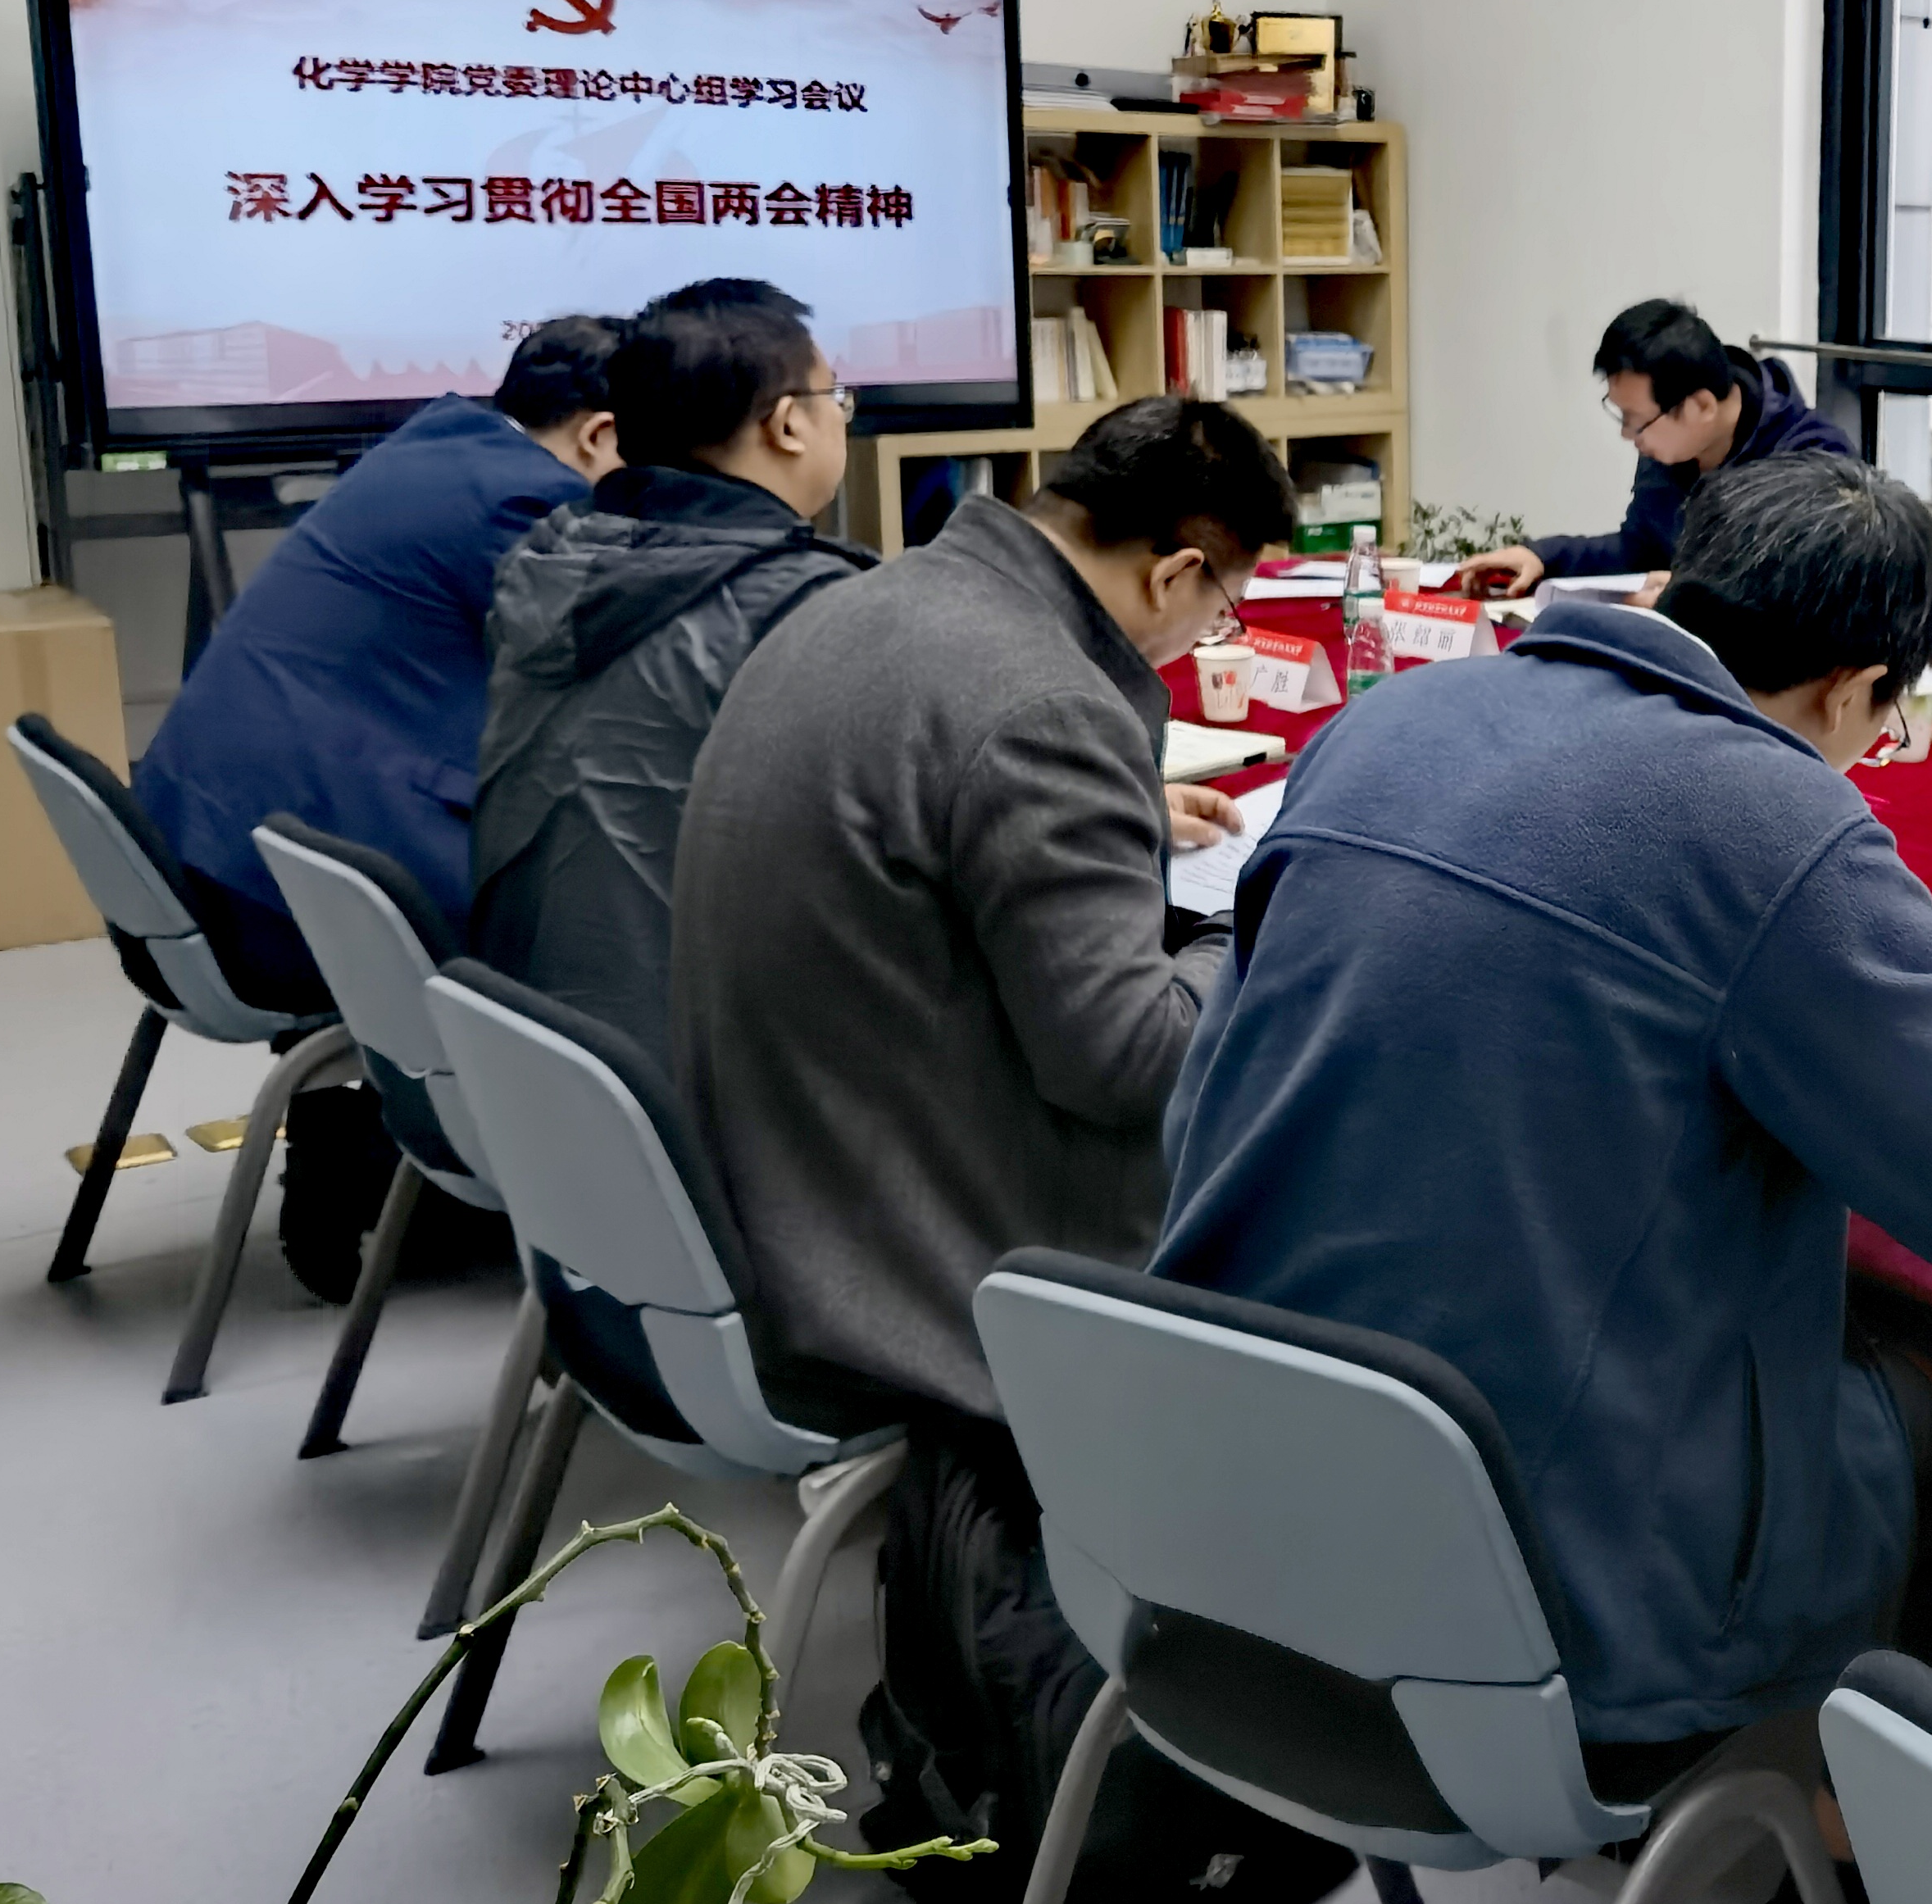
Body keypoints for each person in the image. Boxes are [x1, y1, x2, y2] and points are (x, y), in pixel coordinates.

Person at [1157, 451, 1932, 1904]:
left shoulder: (1392, 721)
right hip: (1547, 1601)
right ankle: (1883, 1883)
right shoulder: (1774, 821)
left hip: (1224, 1508)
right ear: (1851, 692)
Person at [674, 394, 1286, 1430]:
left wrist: (1119, 810)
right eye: (1222, 608)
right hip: (908, 1276)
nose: (1208, 633)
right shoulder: (1048, 708)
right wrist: (1250, 912)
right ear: (1174, 573)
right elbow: (1131, 1062)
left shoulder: (867, 596)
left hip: (774, 1197)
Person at [134, 317, 621, 1006]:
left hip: (204, 857)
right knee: (622, 932)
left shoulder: (440, 444)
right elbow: (616, 668)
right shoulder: (525, 500)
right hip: (271, 906)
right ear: (599, 435)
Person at [468, 279, 870, 1056]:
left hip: (536, 1049)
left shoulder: (552, 559)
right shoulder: (809, 608)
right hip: (702, 1072)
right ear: (789, 423)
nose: (841, 417)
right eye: (837, 398)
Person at [1451, 298, 1854, 598]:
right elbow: (1641, 551)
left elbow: (1805, 599)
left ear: (1701, 407)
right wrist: (1542, 557)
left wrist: (1689, 600)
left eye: (1636, 420)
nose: (1628, 435)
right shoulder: (1672, 450)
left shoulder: (1814, 461)